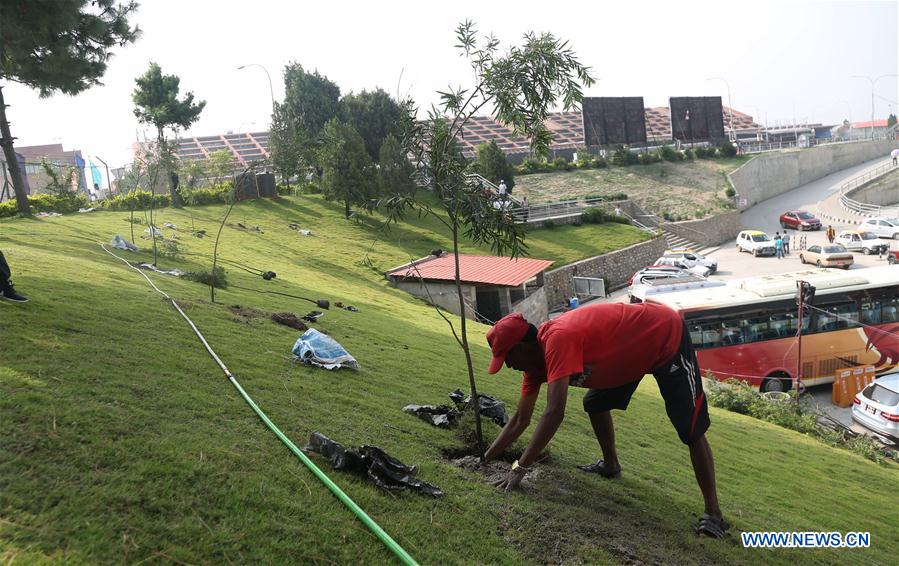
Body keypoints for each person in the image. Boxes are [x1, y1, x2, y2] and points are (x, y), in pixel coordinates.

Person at [483, 304, 729, 538]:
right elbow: (520, 419)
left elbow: (554, 413)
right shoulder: (533, 367)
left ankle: (714, 514)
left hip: (664, 336)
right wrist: (485, 458)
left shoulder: (558, 340)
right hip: (626, 356)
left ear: (522, 348)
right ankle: (611, 466)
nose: (507, 366)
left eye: (507, 358)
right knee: (595, 403)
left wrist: (519, 469)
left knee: (690, 429)